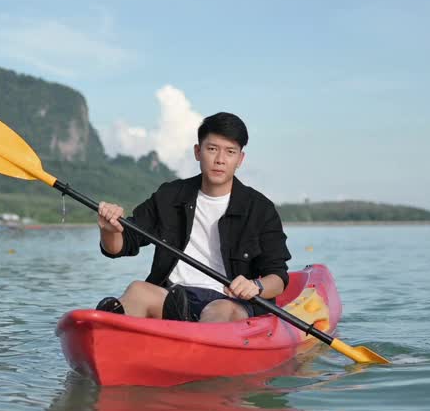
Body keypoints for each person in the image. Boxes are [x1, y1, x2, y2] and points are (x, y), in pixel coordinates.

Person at [95, 112, 290, 323]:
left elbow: (278, 277)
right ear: (198, 152)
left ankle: (189, 333)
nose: (220, 160)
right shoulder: (170, 196)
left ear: (240, 159)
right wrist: (109, 229)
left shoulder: (260, 209)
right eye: (212, 149)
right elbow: (119, 246)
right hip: (173, 297)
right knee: (138, 290)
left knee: (220, 311)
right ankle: (111, 326)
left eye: (230, 152)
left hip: (229, 301)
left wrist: (256, 286)